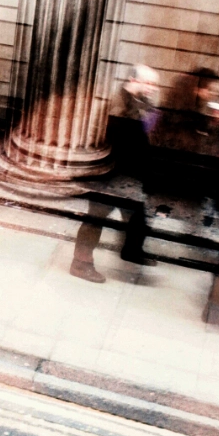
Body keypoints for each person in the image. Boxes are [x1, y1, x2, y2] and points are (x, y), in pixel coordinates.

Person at [69, 65, 160, 284]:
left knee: (137, 215)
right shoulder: (118, 106)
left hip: (128, 173)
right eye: (147, 83)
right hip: (111, 173)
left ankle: (132, 250)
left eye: (154, 84)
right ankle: (80, 263)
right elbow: (119, 141)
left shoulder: (141, 103)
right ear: (132, 80)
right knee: (96, 218)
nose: (152, 88)